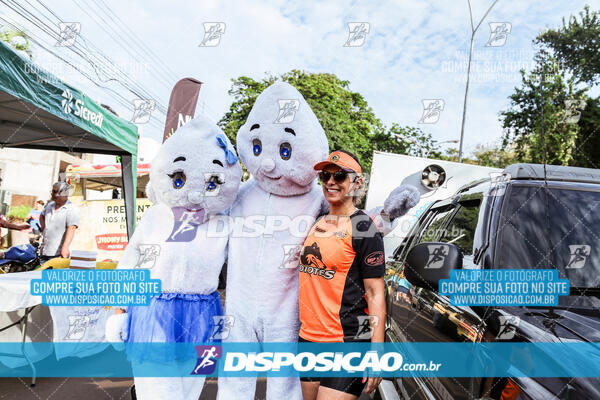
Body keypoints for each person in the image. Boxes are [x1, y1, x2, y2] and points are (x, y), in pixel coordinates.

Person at [298, 150, 386, 400]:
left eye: (339, 176)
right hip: (308, 339)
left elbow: (375, 293)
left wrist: (376, 353)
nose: (330, 182)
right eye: (325, 176)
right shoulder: (316, 221)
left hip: (347, 341)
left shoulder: (364, 228)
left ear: (357, 183)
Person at [39, 182, 79, 263]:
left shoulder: (71, 209)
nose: (52, 194)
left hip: (58, 254)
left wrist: (65, 248)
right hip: (45, 251)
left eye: (55, 191)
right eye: (52, 191)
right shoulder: (49, 205)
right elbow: (42, 215)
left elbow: (71, 228)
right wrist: (43, 228)